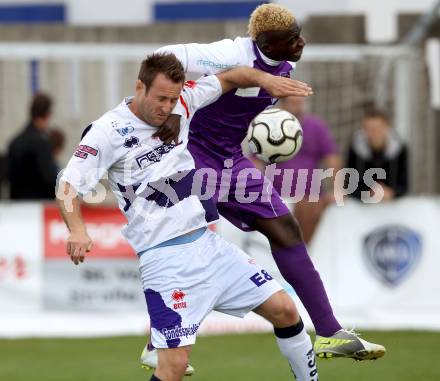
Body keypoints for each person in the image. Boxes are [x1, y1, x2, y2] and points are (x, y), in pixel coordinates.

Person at [143, 3, 385, 366]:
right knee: (195, 241)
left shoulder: (289, 62)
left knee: (286, 229)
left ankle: (330, 332)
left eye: (299, 34)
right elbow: (162, 58)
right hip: (190, 155)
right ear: (267, 45)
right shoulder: (229, 53)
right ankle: (157, 342)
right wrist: (172, 106)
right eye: (291, 39)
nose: (300, 43)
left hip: (231, 160)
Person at [57, 53, 319, 381]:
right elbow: (67, 184)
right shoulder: (108, 131)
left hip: (209, 245)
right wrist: (77, 230)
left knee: (285, 309)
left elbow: (230, 78)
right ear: (139, 86)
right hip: (165, 261)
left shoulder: (184, 101)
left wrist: (265, 80)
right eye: (160, 98)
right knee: (174, 367)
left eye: (172, 99)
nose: (167, 107)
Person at [253, 96, 342, 243]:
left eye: (301, 103)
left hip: (309, 197)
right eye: (294, 103)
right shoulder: (268, 127)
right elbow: (255, 162)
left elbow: (332, 159)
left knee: (305, 242)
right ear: (283, 104)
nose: (298, 107)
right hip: (278, 197)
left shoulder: (316, 127)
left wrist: (337, 189)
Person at [346, 107, 408, 201]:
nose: (374, 133)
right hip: (363, 205)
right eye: (369, 129)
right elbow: (349, 186)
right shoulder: (355, 148)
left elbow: (404, 186)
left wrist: (391, 193)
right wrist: (369, 193)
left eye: (378, 128)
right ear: (363, 129)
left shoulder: (399, 149)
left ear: (387, 128)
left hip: (391, 204)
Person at [7, 92, 59, 200]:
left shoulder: (14, 142)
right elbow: (49, 179)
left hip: (16, 206)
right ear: (48, 114)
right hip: (39, 206)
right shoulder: (43, 143)